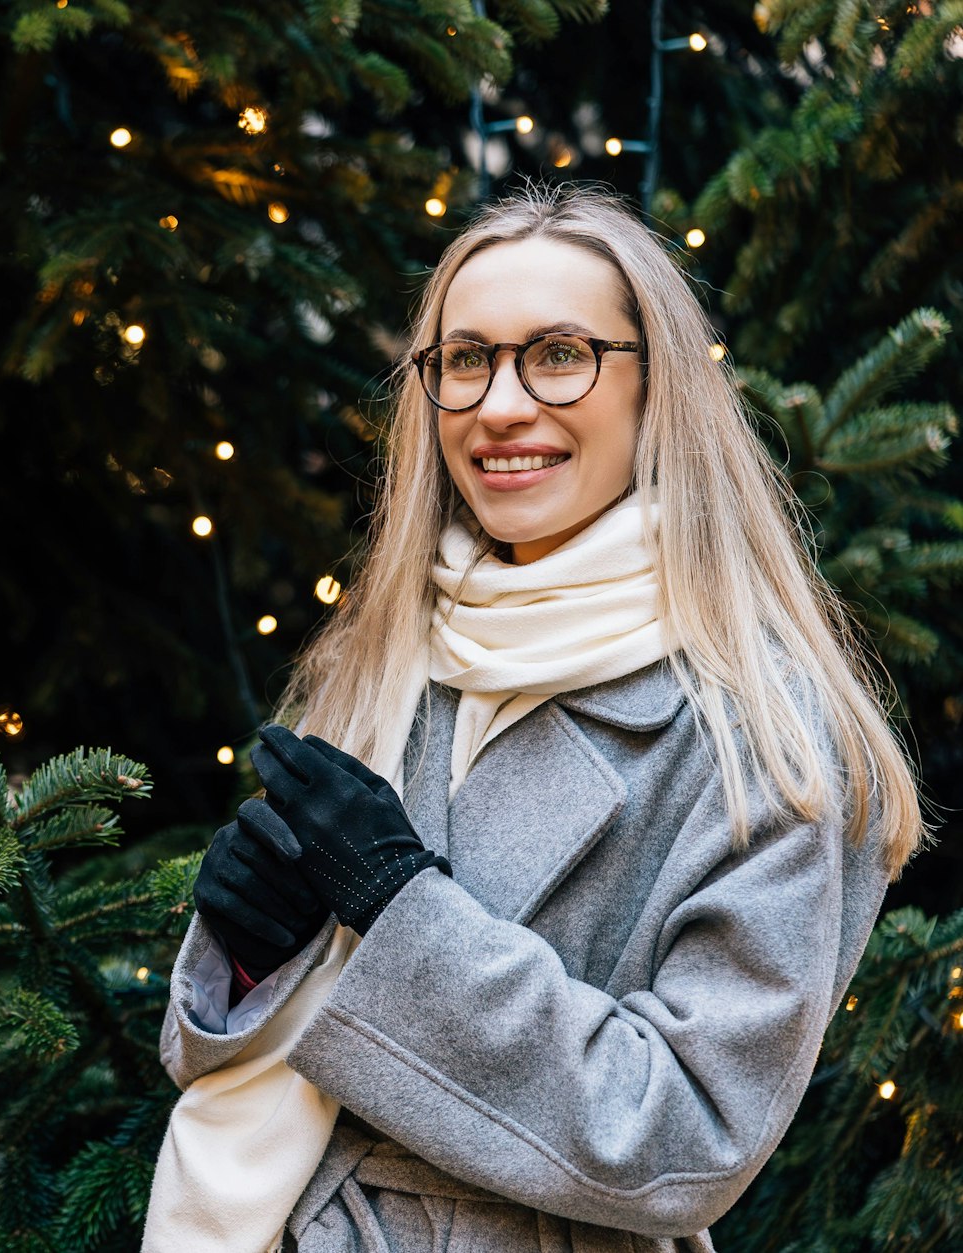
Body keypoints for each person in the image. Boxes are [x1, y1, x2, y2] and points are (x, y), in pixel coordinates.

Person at [145, 181, 927, 1253]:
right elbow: (267, 1041)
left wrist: (401, 909)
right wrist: (248, 956)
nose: (500, 405)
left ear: (654, 388)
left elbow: (688, 1136)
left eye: (557, 353)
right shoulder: (378, 654)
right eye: (464, 360)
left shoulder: (771, 736)